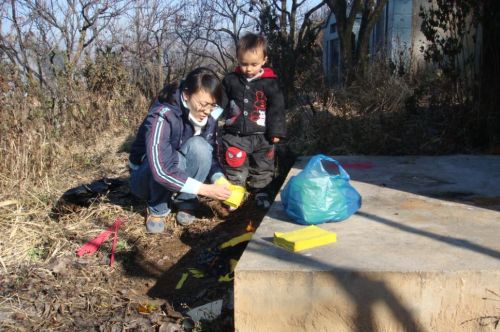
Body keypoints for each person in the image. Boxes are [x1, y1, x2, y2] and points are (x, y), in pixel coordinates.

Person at [129, 67, 231, 233]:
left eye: (212, 106)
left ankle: (186, 201)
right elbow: (161, 169)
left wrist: (219, 180)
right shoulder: (163, 115)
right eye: (203, 104)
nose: (207, 111)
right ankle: (157, 207)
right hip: (145, 175)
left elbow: (209, 154)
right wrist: (205, 189)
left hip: (177, 169)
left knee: (201, 146)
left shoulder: (208, 116)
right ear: (186, 95)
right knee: (171, 158)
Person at [221, 33, 286, 209]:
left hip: (262, 135)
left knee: (264, 165)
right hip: (235, 134)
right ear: (238, 59)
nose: (248, 69)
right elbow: (221, 102)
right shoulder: (231, 80)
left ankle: (261, 192)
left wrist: (276, 131)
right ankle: (235, 192)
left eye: (254, 64)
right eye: (244, 64)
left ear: (264, 59)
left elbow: (277, 108)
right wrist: (211, 120)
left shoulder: (270, 83)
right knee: (235, 164)